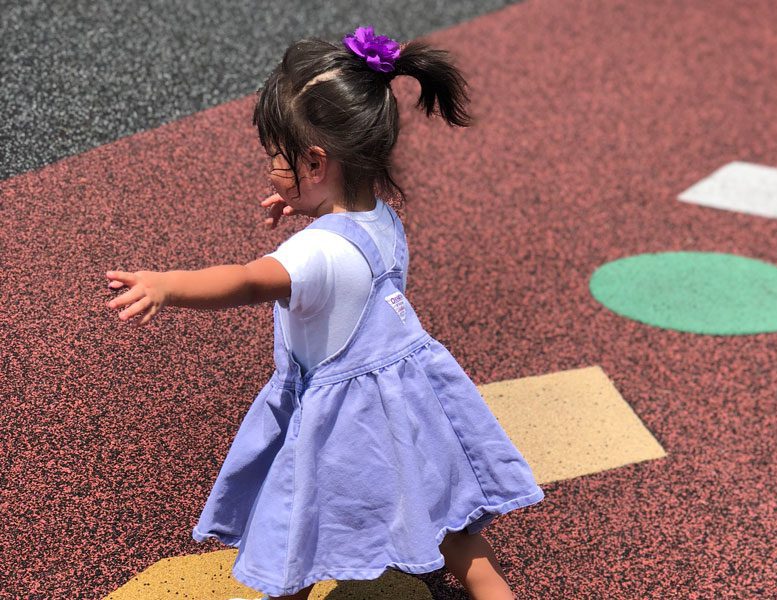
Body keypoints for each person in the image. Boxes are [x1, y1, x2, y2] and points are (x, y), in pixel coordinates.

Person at [105, 26, 544, 600]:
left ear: (315, 162)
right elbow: (341, 255)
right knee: (452, 527)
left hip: (348, 420)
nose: (270, 172)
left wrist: (170, 286)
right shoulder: (383, 219)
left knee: (297, 529)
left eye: (274, 159)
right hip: (411, 405)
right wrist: (306, 204)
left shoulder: (312, 252)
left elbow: (245, 280)